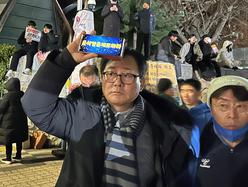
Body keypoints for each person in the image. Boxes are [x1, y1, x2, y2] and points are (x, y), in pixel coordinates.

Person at [21, 32, 197, 186]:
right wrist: (65, 60)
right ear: (103, 78)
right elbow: (35, 106)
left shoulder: (165, 126)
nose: (117, 82)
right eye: (110, 73)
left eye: (127, 75)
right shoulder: (81, 113)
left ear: (141, 83)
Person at [0, 78, 28, 164]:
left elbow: (1, 109)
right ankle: (18, 156)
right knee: (18, 139)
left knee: (8, 140)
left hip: (9, 123)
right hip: (20, 122)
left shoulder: (7, 96)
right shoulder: (22, 95)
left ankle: (8, 158)